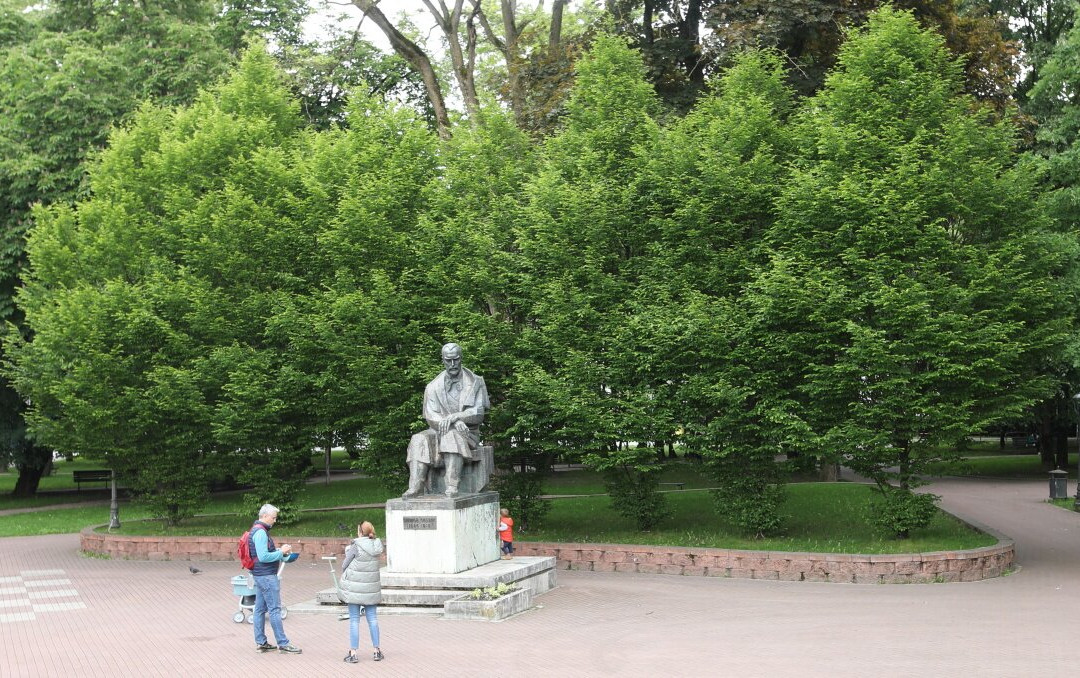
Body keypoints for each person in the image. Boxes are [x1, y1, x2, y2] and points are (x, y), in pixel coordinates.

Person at [403, 342, 490, 498]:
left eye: (455, 359)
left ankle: (451, 485)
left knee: (451, 435)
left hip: (467, 433)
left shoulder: (475, 382)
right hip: (437, 430)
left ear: (461, 358)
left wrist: (456, 416)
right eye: (448, 360)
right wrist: (452, 422)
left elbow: (478, 412)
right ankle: (415, 487)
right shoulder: (433, 386)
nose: (452, 364)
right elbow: (430, 415)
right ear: (442, 360)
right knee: (418, 439)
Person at [249, 504, 301, 654]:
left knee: (259, 609)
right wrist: (281, 552)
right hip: (266, 576)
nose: (275, 520)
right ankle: (283, 644)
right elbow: (263, 557)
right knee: (274, 609)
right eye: (273, 517)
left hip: (260, 575)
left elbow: (262, 553)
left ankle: (261, 643)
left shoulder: (257, 530)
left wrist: (277, 551)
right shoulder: (260, 532)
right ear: (264, 516)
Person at [339, 521, 384, 663]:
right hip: (370, 589)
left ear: (360, 532)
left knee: (354, 620)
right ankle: (377, 651)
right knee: (373, 619)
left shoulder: (355, 546)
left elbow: (344, 565)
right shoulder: (376, 545)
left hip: (355, 590)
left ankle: (353, 653)